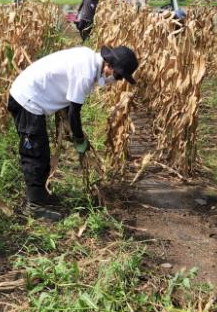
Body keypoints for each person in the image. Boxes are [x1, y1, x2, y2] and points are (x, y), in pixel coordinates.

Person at [8, 45, 139, 220]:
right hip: (27, 100)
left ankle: (40, 196)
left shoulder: (89, 59)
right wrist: (79, 139)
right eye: (119, 75)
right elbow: (74, 112)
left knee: (41, 151)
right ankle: (33, 206)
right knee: (35, 154)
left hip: (32, 97)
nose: (118, 80)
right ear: (109, 65)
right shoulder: (85, 73)